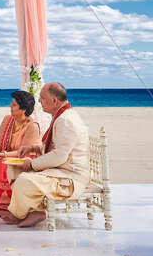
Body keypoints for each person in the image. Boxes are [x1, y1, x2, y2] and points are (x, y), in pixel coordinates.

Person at [5, 82, 90, 228]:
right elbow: (56, 148)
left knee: (23, 181)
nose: (39, 101)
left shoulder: (66, 120)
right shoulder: (61, 115)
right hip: (60, 171)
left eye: (42, 98)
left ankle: (20, 214)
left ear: (54, 101)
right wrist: (34, 148)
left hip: (70, 178)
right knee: (13, 170)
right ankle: (34, 211)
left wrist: (32, 164)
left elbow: (59, 156)